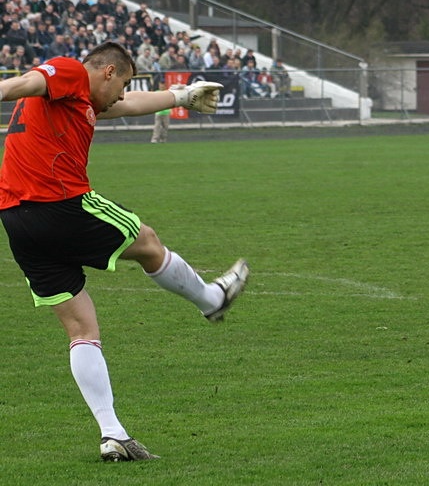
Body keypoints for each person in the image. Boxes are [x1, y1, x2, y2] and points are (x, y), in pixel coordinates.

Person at [0, 41, 249, 461]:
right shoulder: (72, 73)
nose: (121, 92)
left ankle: (112, 434)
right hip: (61, 204)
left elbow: (130, 105)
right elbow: (24, 82)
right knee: (148, 242)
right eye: (123, 82)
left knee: (81, 330)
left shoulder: (77, 100)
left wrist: (182, 95)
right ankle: (211, 300)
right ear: (108, 72)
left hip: (16, 218)